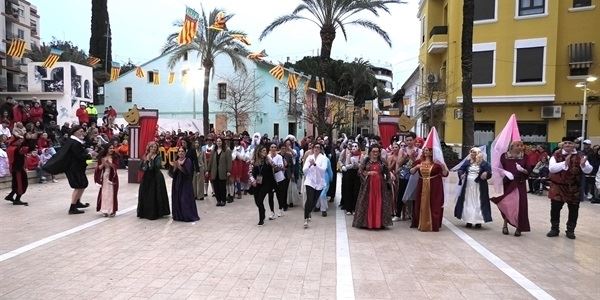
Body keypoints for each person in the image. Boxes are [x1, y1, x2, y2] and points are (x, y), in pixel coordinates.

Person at [547, 136, 592, 239]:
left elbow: (588, 170)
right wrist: (564, 163)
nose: (567, 145)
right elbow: (552, 169)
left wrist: (584, 165)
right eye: (566, 143)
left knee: (574, 210)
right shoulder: (556, 154)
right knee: (555, 209)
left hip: (574, 188)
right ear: (563, 144)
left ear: (574, 145)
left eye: (570, 143)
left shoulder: (580, 155)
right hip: (558, 186)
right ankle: (554, 228)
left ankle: (570, 230)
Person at [491, 140, 531, 236]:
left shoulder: (525, 157)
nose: (520, 147)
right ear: (511, 147)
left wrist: (523, 170)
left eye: (521, 145)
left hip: (520, 183)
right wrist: (505, 173)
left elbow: (529, 170)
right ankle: (505, 225)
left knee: (520, 205)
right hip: (508, 183)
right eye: (518, 145)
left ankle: (519, 227)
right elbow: (498, 168)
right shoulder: (504, 156)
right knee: (507, 204)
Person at [352, 144, 394, 229]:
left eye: (377, 151)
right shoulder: (366, 160)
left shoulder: (382, 161)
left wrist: (388, 181)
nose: (375, 153)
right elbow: (360, 171)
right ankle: (367, 223)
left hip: (380, 186)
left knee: (380, 201)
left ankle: (380, 223)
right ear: (370, 152)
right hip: (368, 185)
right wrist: (368, 173)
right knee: (368, 202)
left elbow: (387, 172)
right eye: (373, 151)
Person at [410, 145, 449, 232]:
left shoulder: (437, 163)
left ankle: (433, 223)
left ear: (431, 152)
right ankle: (420, 222)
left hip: (434, 186)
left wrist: (443, 167)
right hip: (422, 185)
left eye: (427, 150)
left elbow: (445, 174)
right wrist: (416, 167)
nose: (425, 152)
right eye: (424, 150)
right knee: (420, 203)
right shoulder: (419, 162)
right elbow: (411, 172)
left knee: (434, 203)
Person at [454, 147, 492, 228]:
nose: (472, 154)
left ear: (478, 154)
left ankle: (478, 221)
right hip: (468, 186)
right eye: (471, 152)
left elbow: (489, 172)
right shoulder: (467, 162)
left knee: (479, 202)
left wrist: (486, 174)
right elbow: (461, 169)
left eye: (474, 152)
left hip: (479, 186)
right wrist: (461, 174)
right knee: (468, 202)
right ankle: (469, 220)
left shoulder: (484, 163)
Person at [64, 126, 93, 214]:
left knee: (83, 184)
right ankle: (72, 207)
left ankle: (77, 202)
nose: (82, 133)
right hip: (74, 168)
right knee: (78, 186)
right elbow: (80, 156)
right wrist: (89, 155)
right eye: (80, 131)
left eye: (83, 131)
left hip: (78, 168)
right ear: (75, 132)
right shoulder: (74, 143)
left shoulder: (74, 142)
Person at [137, 141, 170, 220]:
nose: (153, 148)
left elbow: (155, 167)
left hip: (156, 177)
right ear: (149, 147)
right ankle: (144, 212)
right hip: (147, 177)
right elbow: (141, 167)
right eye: (151, 147)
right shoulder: (145, 156)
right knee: (145, 193)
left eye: (155, 147)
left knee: (155, 194)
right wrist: (146, 161)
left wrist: (150, 160)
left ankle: (156, 212)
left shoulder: (158, 157)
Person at [302, 143, 328, 228]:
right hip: (310, 181)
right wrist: (310, 165)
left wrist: (315, 165)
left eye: (318, 147)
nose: (316, 149)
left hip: (319, 182)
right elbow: (304, 170)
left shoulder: (323, 158)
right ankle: (305, 219)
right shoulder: (309, 157)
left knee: (314, 200)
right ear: (313, 149)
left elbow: (323, 170)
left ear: (320, 149)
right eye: (315, 147)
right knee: (309, 199)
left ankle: (309, 211)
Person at [170, 147, 200, 222]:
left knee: (184, 199)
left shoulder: (188, 161)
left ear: (185, 152)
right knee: (178, 199)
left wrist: (179, 166)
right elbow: (172, 174)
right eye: (179, 151)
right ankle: (179, 215)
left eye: (182, 151)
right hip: (177, 183)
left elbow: (187, 172)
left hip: (185, 183)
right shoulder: (176, 161)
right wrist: (174, 168)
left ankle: (187, 215)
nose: (181, 153)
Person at [249, 145, 276, 226]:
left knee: (260, 200)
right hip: (257, 183)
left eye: (265, 150)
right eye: (263, 151)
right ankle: (263, 210)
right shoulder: (254, 161)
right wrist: (252, 180)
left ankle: (261, 219)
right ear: (259, 152)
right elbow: (249, 172)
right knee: (257, 202)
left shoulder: (268, 159)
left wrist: (272, 162)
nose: (265, 152)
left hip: (266, 183)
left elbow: (275, 166)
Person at [94, 144, 119, 217]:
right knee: (104, 194)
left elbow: (116, 166)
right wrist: (103, 164)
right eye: (110, 148)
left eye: (112, 148)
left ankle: (112, 210)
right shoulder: (102, 157)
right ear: (106, 149)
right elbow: (98, 168)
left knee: (112, 194)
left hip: (112, 178)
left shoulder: (114, 157)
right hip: (104, 177)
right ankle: (104, 210)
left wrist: (109, 163)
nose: (112, 149)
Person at [206, 137, 232, 207]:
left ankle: (223, 200)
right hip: (214, 171)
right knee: (216, 187)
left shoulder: (227, 150)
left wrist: (228, 170)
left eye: (220, 141)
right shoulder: (213, 150)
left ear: (222, 142)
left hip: (223, 171)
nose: (218, 142)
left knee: (222, 187)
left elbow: (229, 161)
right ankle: (218, 200)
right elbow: (210, 161)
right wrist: (208, 170)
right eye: (217, 141)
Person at [5, 137, 29, 206]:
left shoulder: (10, 148)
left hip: (14, 168)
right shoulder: (16, 149)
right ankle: (17, 200)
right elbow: (27, 149)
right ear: (14, 141)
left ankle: (10, 196)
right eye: (19, 141)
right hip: (18, 169)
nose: (20, 142)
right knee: (21, 184)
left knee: (16, 183)